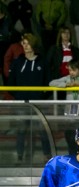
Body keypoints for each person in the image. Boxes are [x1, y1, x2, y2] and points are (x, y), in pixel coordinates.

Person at [7, 33, 51, 162]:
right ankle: (19, 156)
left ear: (33, 44)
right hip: (22, 103)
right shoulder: (17, 62)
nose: (25, 46)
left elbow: (48, 82)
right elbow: (10, 84)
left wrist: (41, 96)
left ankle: (47, 155)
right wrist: (20, 96)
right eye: (23, 43)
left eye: (27, 43)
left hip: (39, 103)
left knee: (42, 130)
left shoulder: (42, 62)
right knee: (21, 130)